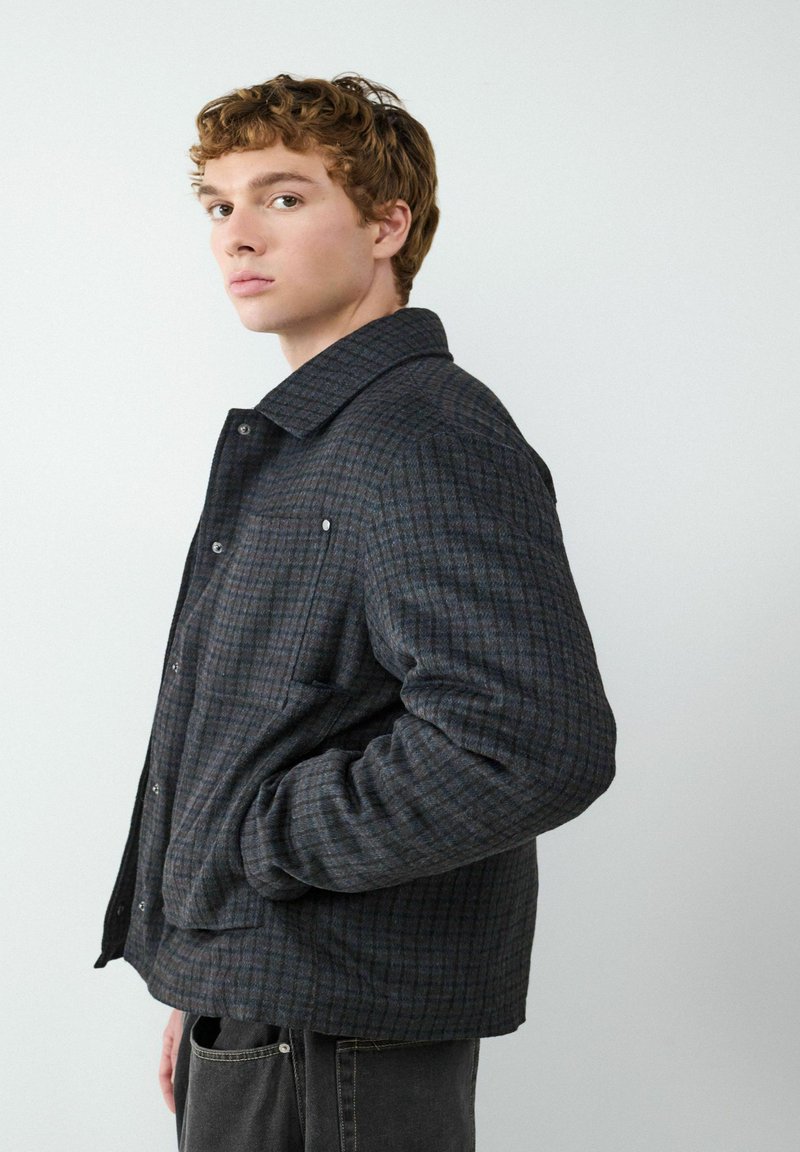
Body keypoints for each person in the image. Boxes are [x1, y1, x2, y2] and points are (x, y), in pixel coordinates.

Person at [95, 73, 617, 1151]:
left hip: (333, 1030)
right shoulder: (319, 438)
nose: (237, 234)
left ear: (388, 226)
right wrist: (210, 973)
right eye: (219, 204)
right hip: (271, 1006)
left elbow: (528, 741)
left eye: (283, 198)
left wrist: (264, 843)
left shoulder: (422, 436)